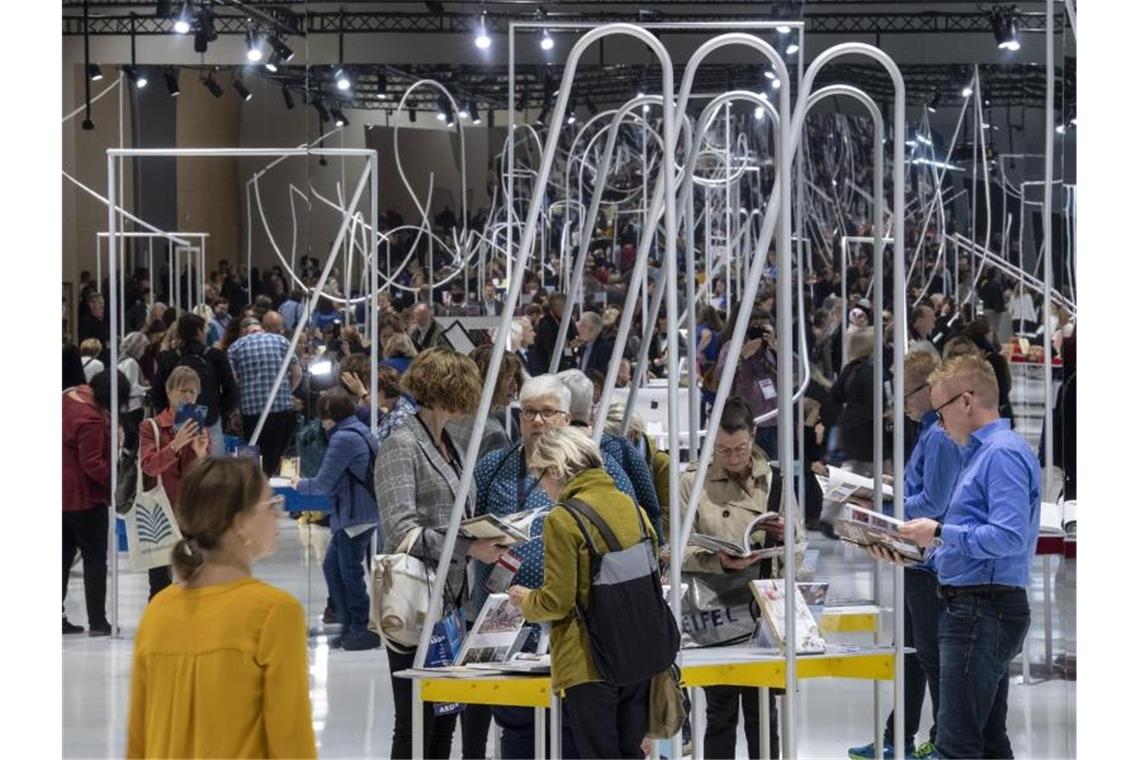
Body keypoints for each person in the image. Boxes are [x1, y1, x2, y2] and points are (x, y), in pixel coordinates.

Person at [471, 374, 640, 757]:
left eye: (548, 413)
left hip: (583, 636)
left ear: (567, 418)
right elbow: (465, 530)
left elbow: (631, 532)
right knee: (518, 734)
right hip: (510, 629)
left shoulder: (604, 469)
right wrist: (476, 545)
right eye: (529, 413)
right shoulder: (492, 467)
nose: (537, 421)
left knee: (576, 735)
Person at [891, 354, 1040, 760]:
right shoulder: (982, 453)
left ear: (967, 402)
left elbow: (1008, 536)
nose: (939, 423)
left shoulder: (1001, 455)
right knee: (988, 739)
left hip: (983, 608)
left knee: (955, 744)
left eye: (941, 411)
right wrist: (915, 550)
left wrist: (938, 532)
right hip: (975, 604)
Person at [126, 457, 317, 758]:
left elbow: (138, 740)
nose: (278, 516)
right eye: (271, 505)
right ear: (240, 522)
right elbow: (291, 741)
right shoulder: (274, 613)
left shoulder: (158, 611)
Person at [374, 348, 506, 760]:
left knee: (445, 716)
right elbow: (400, 530)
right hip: (413, 603)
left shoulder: (449, 442)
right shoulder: (402, 443)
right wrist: (470, 547)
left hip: (449, 601)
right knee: (414, 721)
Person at [507, 426, 659, 759]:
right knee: (630, 751)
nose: (543, 488)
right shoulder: (632, 508)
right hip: (638, 652)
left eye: (540, 477)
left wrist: (525, 601)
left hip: (589, 660)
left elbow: (557, 601)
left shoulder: (562, 519)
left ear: (556, 469)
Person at [848, 350, 964, 760]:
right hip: (918, 559)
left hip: (930, 560)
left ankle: (941, 739)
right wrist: (896, 487)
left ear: (928, 390)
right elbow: (924, 489)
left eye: (906, 392)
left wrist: (886, 500)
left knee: (929, 656)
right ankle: (898, 735)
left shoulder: (939, 435)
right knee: (912, 654)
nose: (901, 402)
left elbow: (933, 501)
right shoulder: (928, 433)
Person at [675, 396, 799, 758]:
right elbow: (672, 551)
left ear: (754, 436)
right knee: (719, 711)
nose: (731, 457)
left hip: (763, 609)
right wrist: (717, 560)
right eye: (723, 450)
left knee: (764, 712)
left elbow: (801, 547)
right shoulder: (692, 482)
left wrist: (784, 536)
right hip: (714, 609)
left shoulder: (774, 481)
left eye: (740, 449)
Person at [293, 389, 381, 651]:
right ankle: (349, 625)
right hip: (360, 513)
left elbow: (322, 482)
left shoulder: (343, 438)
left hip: (355, 515)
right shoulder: (359, 430)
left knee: (349, 573)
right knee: (335, 569)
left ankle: (360, 628)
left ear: (329, 415)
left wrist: (298, 484)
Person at [558, 369, 664, 540]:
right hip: (620, 545)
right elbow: (650, 504)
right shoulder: (619, 446)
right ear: (590, 404)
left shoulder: (548, 449)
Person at [62, 369, 128, 636]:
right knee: (95, 559)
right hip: (84, 497)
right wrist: (116, 482)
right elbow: (92, 464)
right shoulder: (92, 420)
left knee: (61, 558)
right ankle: (98, 622)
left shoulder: (70, 397)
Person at [138, 366, 212, 600]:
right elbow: (149, 466)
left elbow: (207, 474)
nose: (188, 397)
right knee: (159, 586)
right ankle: (159, 631)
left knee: (197, 580)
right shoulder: (151, 427)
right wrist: (175, 445)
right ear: (169, 392)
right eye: (182, 390)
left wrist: (201, 453)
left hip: (192, 512)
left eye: (193, 392)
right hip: (160, 513)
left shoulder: (200, 427)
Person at [151, 313, 238, 457]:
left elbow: (157, 391)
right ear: (199, 331)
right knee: (213, 468)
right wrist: (220, 412)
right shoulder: (216, 356)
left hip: (178, 422)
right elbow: (231, 390)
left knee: (180, 467)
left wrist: (168, 415)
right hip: (211, 419)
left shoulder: (170, 357)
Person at [227, 318, 302, 474]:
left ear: (243, 331)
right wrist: (288, 391)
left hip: (251, 411)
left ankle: (253, 486)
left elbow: (232, 381)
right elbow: (297, 372)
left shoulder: (235, 347)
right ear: (261, 328)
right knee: (285, 453)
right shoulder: (281, 340)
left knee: (251, 452)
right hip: (282, 407)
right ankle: (287, 484)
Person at [117, 332, 150, 453]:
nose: (144, 352)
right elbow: (131, 388)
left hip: (125, 407)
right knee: (132, 440)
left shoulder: (121, 360)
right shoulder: (131, 363)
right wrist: (147, 389)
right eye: (143, 348)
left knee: (129, 439)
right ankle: (129, 466)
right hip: (133, 407)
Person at [533, 293, 577, 373]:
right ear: (554, 307)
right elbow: (548, 346)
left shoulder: (569, 319)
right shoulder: (545, 322)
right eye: (563, 307)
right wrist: (566, 345)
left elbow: (574, 335)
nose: (566, 309)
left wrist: (574, 343)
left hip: (569, 359)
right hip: (549, 363)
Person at [573, 310, 613, 374]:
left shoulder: (604, 348)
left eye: (583, 325)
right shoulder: (583, 345)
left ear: (593, 331)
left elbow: (601, 373)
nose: (579, 328)